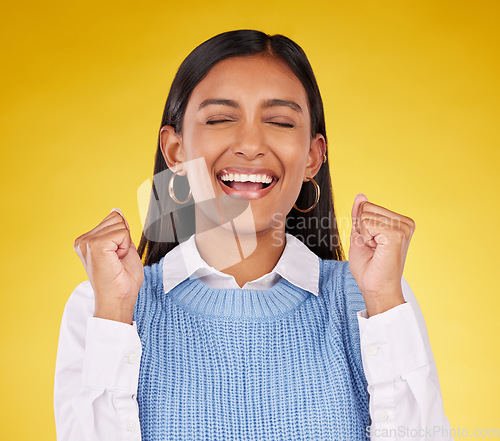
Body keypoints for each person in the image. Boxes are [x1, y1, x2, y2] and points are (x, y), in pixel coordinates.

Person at [54, 29, 453, 440]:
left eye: (280, 121)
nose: (249, 144)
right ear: (175, 153)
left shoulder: (371, 299)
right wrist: (116, 315)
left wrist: (386, 302)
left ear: (313, 156)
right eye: (221, 119)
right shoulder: (102, 307)